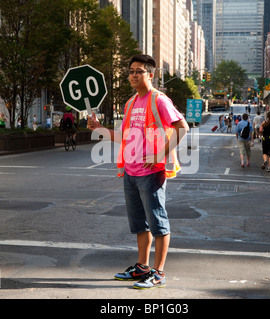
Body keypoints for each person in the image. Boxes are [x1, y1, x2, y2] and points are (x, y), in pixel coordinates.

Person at [87, 54, 189, 289]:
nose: (133, 75)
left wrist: (160, 155)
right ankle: (142, 267)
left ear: (150, 75)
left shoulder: (159, 100)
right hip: (130, 172)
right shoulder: (131, 103)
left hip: (152, 172)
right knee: (139, 223)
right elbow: (125, 137)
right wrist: (101, 129)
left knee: (158, 222)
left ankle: (159, 272)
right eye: (131, 70)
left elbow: (182, 128)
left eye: (139, 71)